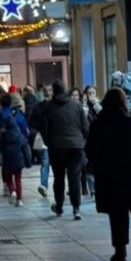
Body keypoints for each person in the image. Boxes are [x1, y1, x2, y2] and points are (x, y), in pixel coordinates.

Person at [85, 88, 131, 261]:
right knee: (123, 210)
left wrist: (97, 163)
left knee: (114, 211)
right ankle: (121, 244)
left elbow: (89, 149)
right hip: (128, 173)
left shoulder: (97, 124)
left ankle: (119, 246)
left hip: (107, 174)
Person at [39, 81, 89, 220]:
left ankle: (59, 206)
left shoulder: (49, 107)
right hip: (76, 147)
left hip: (57, 147)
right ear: (66, 90)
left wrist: (48, 141)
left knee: (59, 178)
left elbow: (43, 126)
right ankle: (76, 208)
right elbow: (85, 127)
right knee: (74, 178)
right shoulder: (77, 105)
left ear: (54, 91)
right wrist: (81, 141)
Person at [0, 93, 30, 206]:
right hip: (18, 154)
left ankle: (12, 190)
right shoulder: (16, 114)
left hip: (7, 153)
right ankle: (19, 199)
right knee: (18, 178)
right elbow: (25, 131)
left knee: (8, 176)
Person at [28, 84, 53, 198]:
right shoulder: (38, 107)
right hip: (44, 139)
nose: (48, 93)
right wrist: (37, 134)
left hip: (57, 140)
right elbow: (32, 123)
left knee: (57, 165)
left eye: (50, 90)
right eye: (45, 90)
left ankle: (57, 186)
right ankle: (44, 185)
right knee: (45, 162)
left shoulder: (57, 106)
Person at [81, 85, 102, 199]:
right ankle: (92, 190)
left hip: (98, 139)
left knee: (97, 165)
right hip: (87, 139)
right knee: (87, 165)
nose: (91, 95)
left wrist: (96, 104)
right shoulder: (83, 107)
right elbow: (82, 121)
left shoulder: (99, 105)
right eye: (88, 93)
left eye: (93, 92)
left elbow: (103, 116)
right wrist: (84, 105)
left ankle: (97, 188)